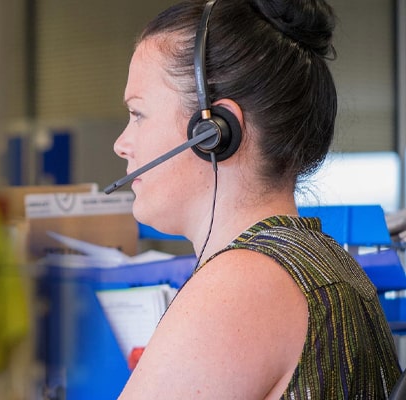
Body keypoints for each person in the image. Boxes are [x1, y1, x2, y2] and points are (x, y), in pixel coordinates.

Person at [110, 0, 402, 398]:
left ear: (213, 131)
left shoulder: (240, 288)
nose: (121, 145)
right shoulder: (322, 261)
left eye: (138, 114)